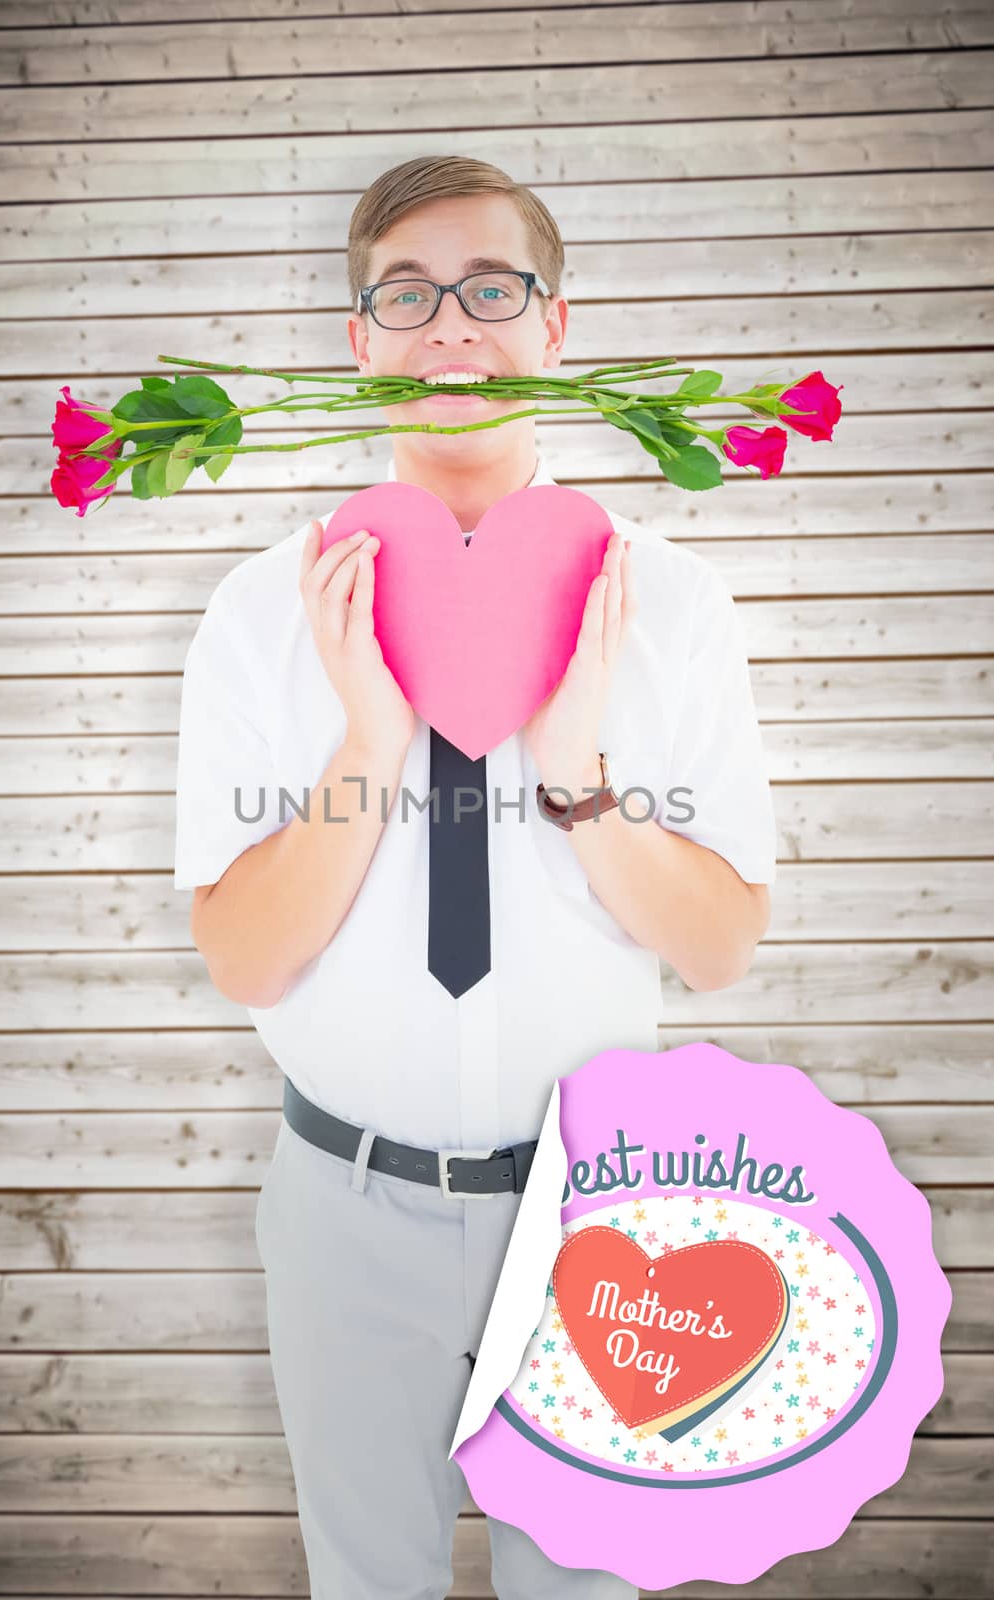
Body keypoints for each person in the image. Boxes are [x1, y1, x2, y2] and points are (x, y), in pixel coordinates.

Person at [174, 156, 777, 1600]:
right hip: (342, 1203)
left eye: (490, 289)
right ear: (356, 341)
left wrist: (576, 768)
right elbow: (246, 960)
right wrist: (370, 740)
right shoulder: (263, 613)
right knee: (365, 1581)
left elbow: (720, 945)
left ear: (555, 328)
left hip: (597, 1214)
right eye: (406, 293)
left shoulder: (669, 600)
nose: (451, 325)